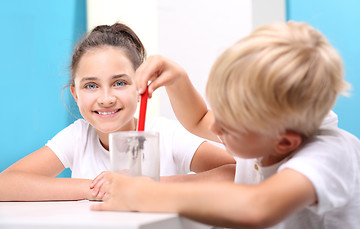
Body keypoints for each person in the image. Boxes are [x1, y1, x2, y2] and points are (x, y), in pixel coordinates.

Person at [90, 21, 360, 229]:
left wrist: (145, 194)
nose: (215, 126)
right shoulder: (263, 132)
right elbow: (199, 118)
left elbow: (258, 207)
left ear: (285, 143)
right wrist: (178, 79)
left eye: (228, 127)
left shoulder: (330, 154)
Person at [0, 23, 236, 202]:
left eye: (120, 83)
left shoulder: (164, 135)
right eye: (91, 86)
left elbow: (234, 173)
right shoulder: (79, 137)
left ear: (140, 85)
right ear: (75, 93)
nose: (106, 99)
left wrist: (147, 186)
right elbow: (5, 184)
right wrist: (100, 187)